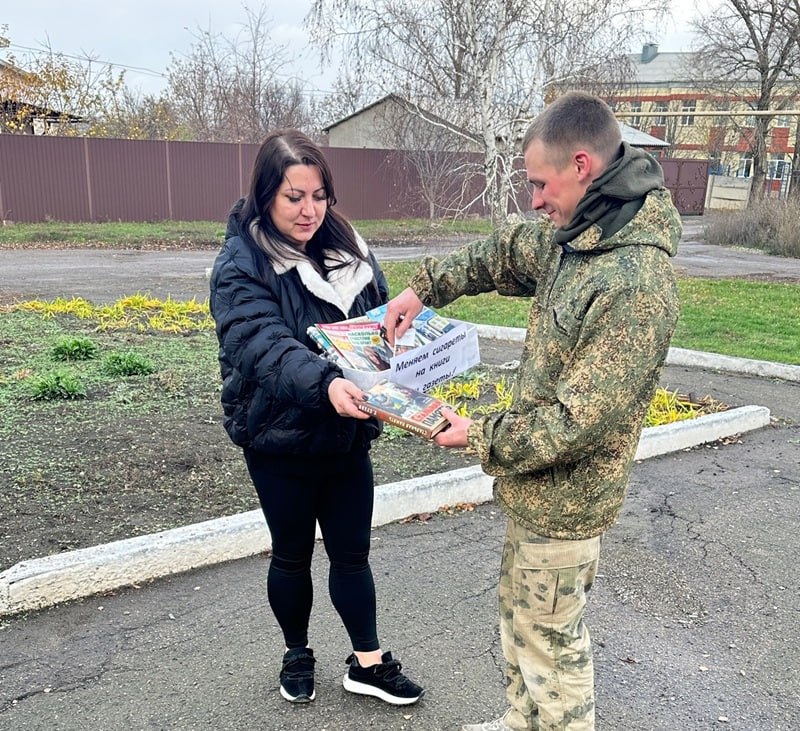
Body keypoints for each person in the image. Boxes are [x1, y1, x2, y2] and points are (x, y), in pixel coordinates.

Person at [383, 91, 681, 730]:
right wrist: (422, 287)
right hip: (532, 492)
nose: (536, 200)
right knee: (521, 625)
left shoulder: (633, 282)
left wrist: (477, 434)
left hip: (567, 501)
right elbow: (501, 252)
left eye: (541, 184)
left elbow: (578, 420)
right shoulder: (577, 235)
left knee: (553, 650)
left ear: (582, 165)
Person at [209, 129, 424, 707]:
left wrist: (413, 364)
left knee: (353, 553)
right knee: (292, 553)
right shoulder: (240, 264)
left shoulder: (350, 248)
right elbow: (261, 344)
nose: (309, 211)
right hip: (278, 435)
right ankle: (297, 653)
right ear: (265, 196)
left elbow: (381, 323)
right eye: (293, 197)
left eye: (319, 195)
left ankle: (368, 662)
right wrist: (327, 384)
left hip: (348, 430)